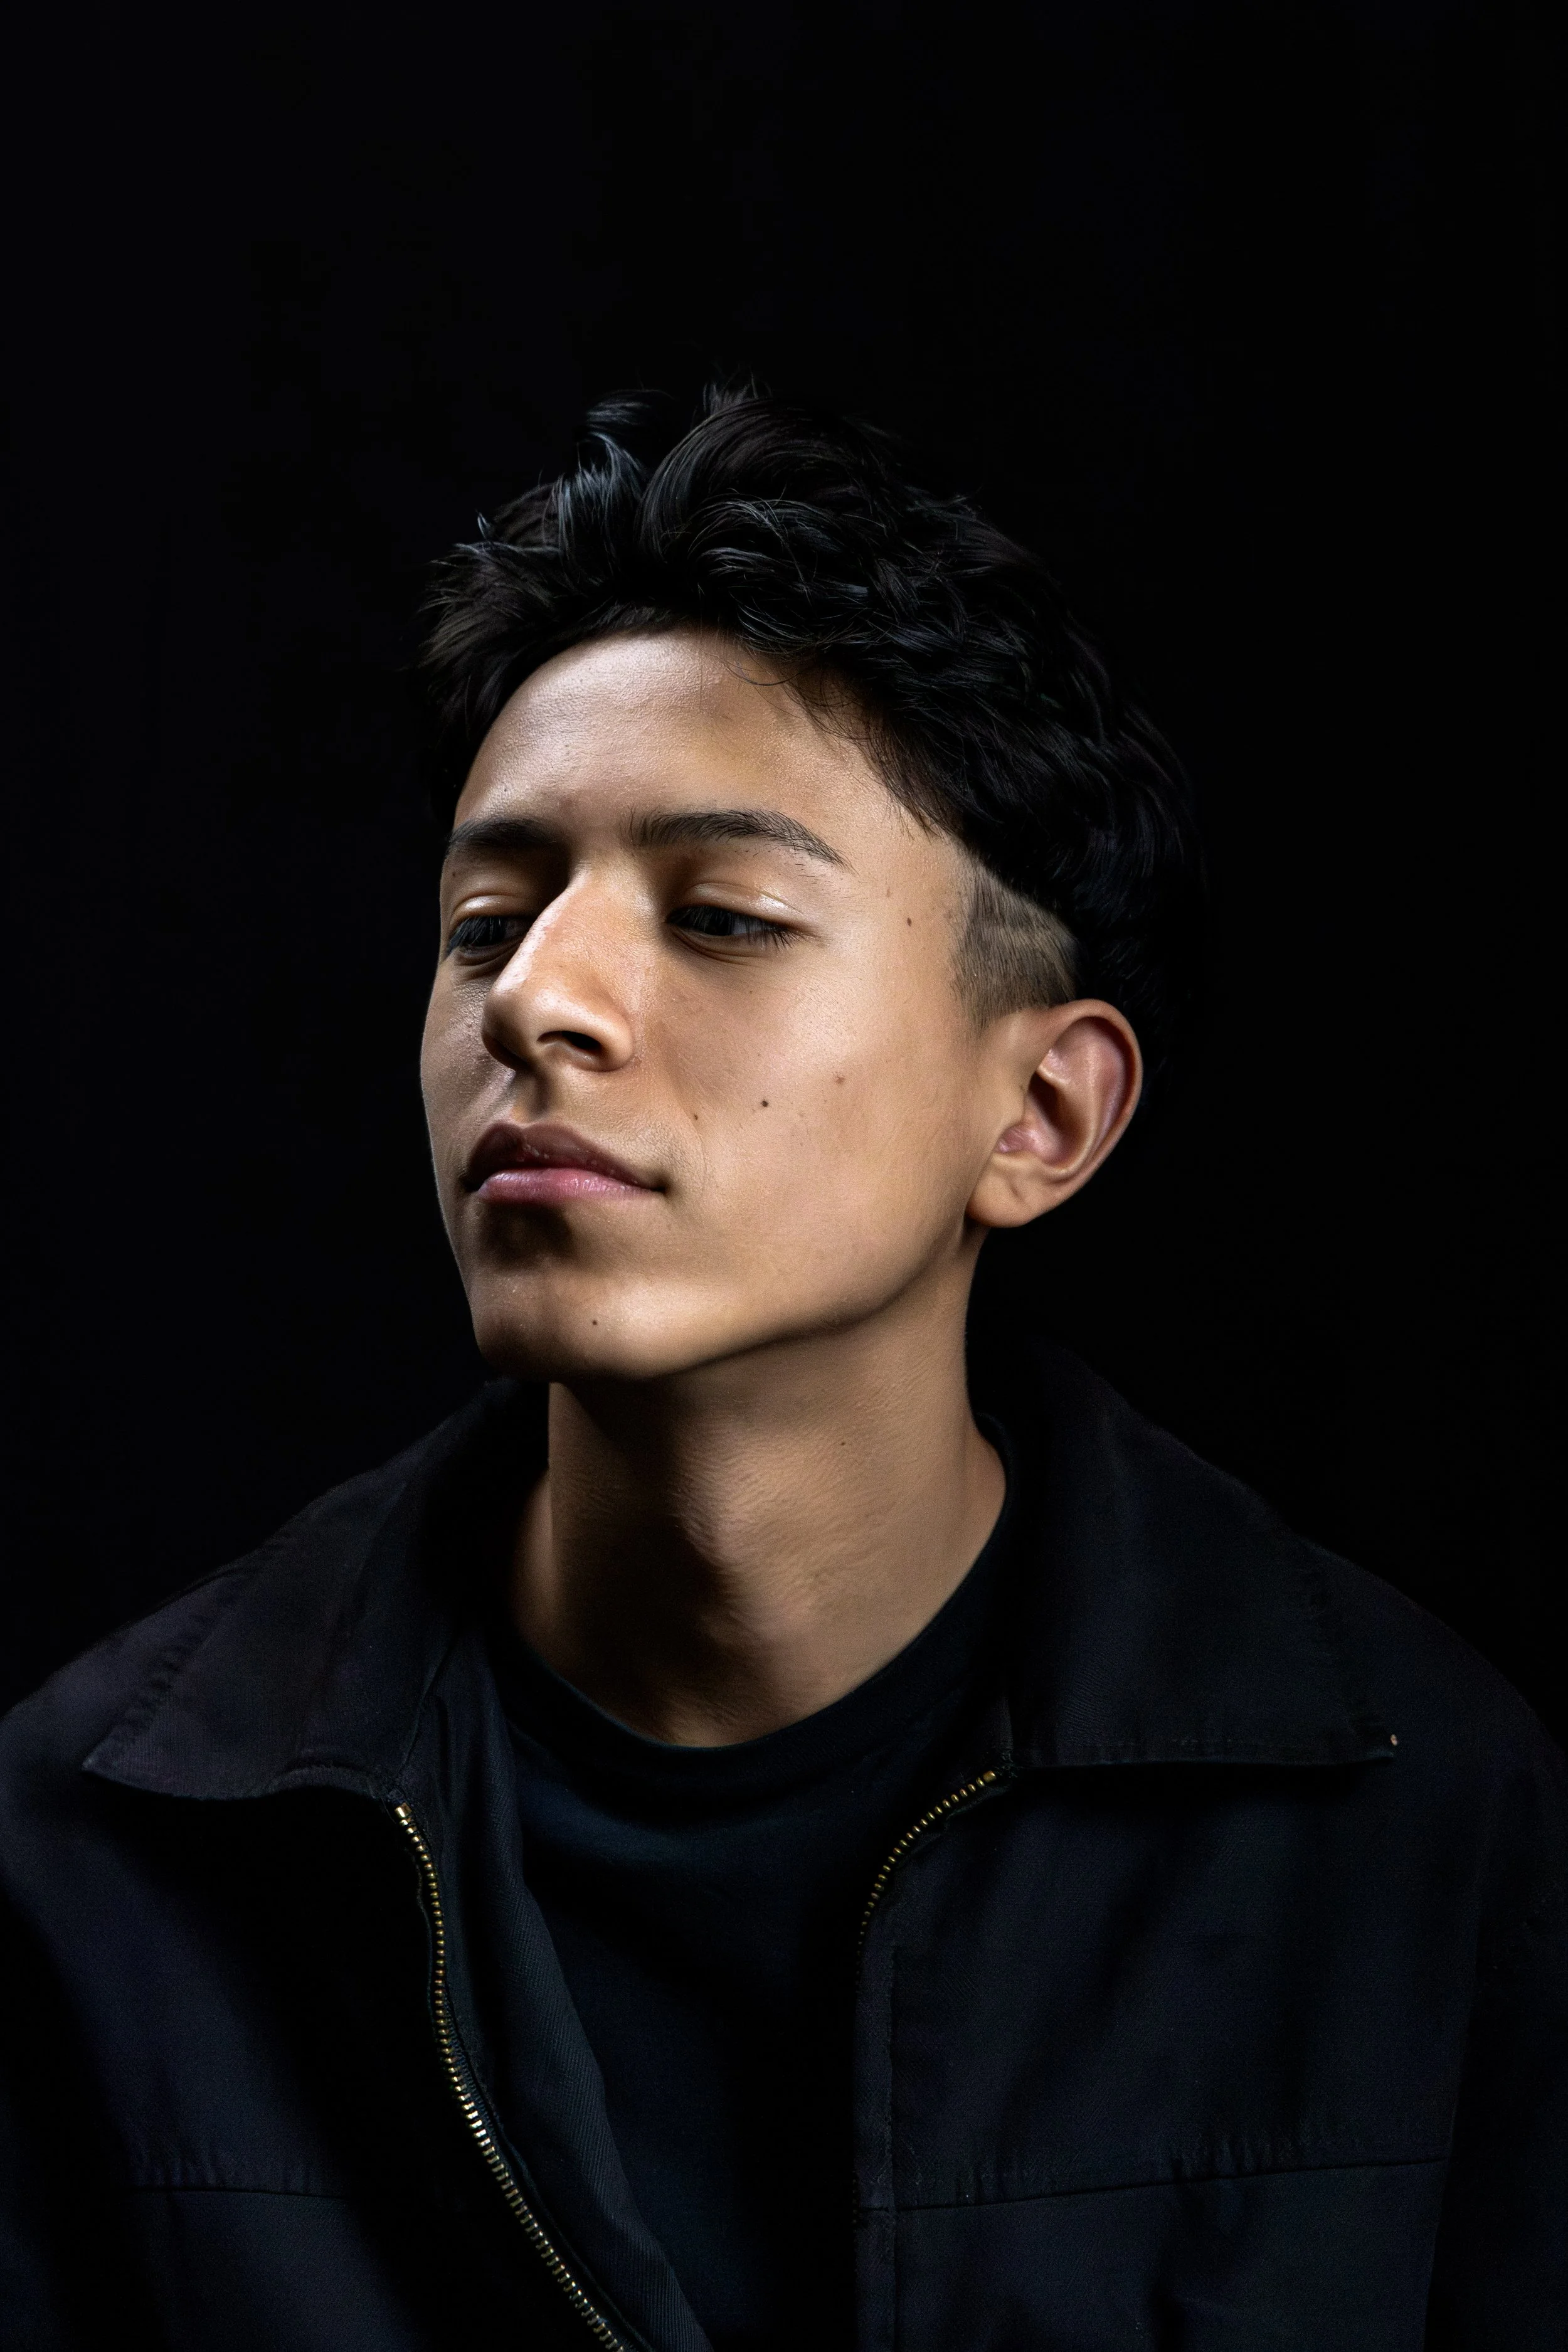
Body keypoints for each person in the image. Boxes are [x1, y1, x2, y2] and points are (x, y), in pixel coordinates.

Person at [0, 388, 1561, 2352]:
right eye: (487, 921)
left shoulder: (1416, 1822)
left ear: (1044, 1112)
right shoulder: (101, 1852)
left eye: (722, 915)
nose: (542, 999)